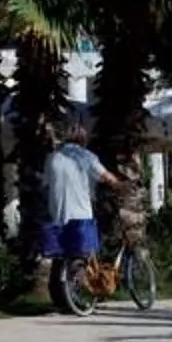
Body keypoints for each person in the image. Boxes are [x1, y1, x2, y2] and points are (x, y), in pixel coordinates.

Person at [38, 119, 124, 312]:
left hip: (58, 215)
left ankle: (59, 301)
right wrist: (120, 186)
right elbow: (107, 177)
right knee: (83, 253)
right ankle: (84, 292)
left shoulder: (53, 157)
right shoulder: (87, 157)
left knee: (59, 258)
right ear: (83, 140)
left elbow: (44, 185)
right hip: (80, 215)